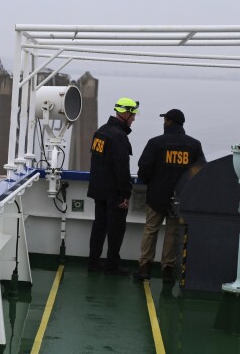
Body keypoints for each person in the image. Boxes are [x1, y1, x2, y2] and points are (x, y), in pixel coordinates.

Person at [133, 109, 205, 283]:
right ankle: (168, 270)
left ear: (170, 122)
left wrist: (152, 180)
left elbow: (144, 167)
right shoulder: (194, 145)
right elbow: (201, 169)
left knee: (151, 230)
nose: (164, 122)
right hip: (181, 197)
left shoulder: (156, 143)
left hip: (157, 194)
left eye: (165, 119)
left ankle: (144, 267)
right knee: (172, 233)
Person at [87, 97, 139, 275]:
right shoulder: (119, 137)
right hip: (113, 191)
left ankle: (93, 263)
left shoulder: (101, 131)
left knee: (99, 226)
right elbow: (122, 168)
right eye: (132, 115)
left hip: (98, 189)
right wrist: (126, 194)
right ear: (125, 113)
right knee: (116, 229)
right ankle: (112, 266)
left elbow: (96, 161)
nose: (133, 119)